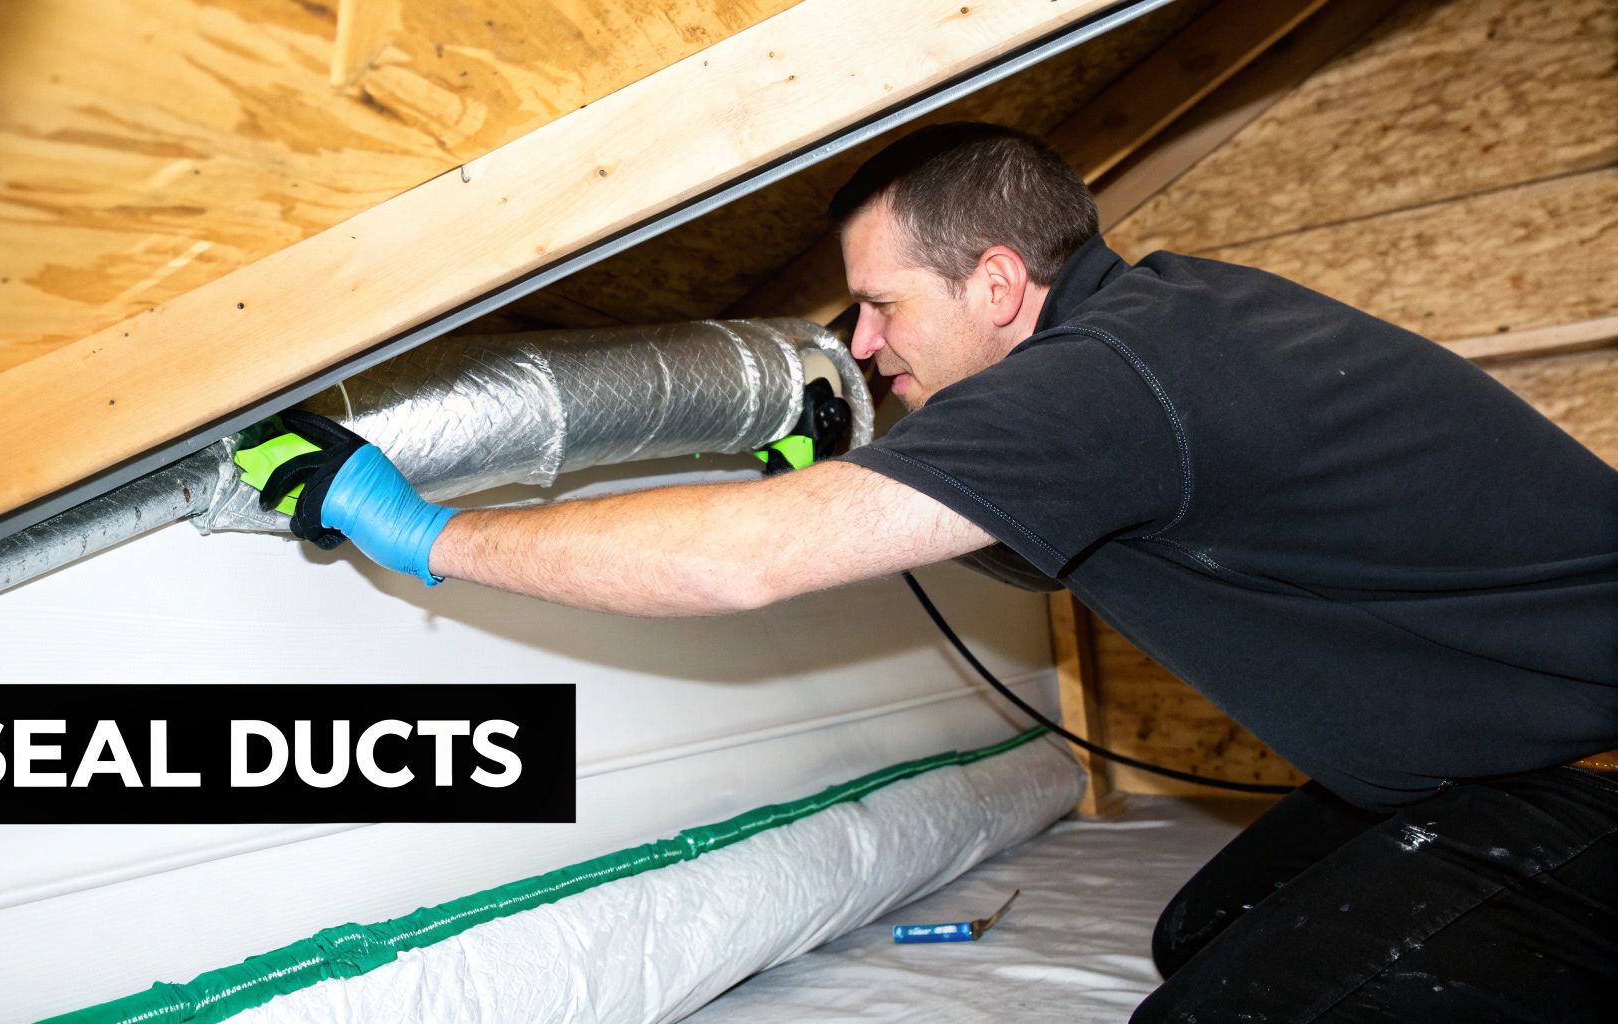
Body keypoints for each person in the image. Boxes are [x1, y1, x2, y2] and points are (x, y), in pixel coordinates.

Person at [280, 123, 1618, 1021]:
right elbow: (1044, 544)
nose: (861, 346)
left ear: (993, 284)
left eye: (881, 307)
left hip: (1588, 783)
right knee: (1200, 941)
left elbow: (747, 569)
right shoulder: (1156, 333)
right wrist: (828, 486)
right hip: (1501, 760)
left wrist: (418, 533)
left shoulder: (1107, 381)